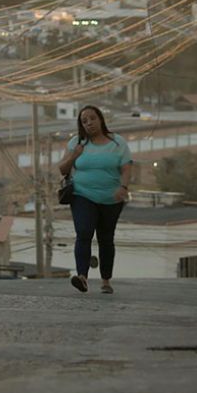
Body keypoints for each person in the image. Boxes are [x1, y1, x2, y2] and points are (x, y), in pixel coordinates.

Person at [57, 105, 132, 294]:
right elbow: (62, 169)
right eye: (84, 121)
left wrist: (123, 187)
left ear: (100, 119)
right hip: (82, 195)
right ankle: (82, 277)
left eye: (92, 118)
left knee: (106, 238)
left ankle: (106, 281)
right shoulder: (77, 142)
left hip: (111, 198)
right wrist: (75, 154)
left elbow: (126, 167)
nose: (89, 123)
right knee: (83, 233)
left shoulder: (117, 142)